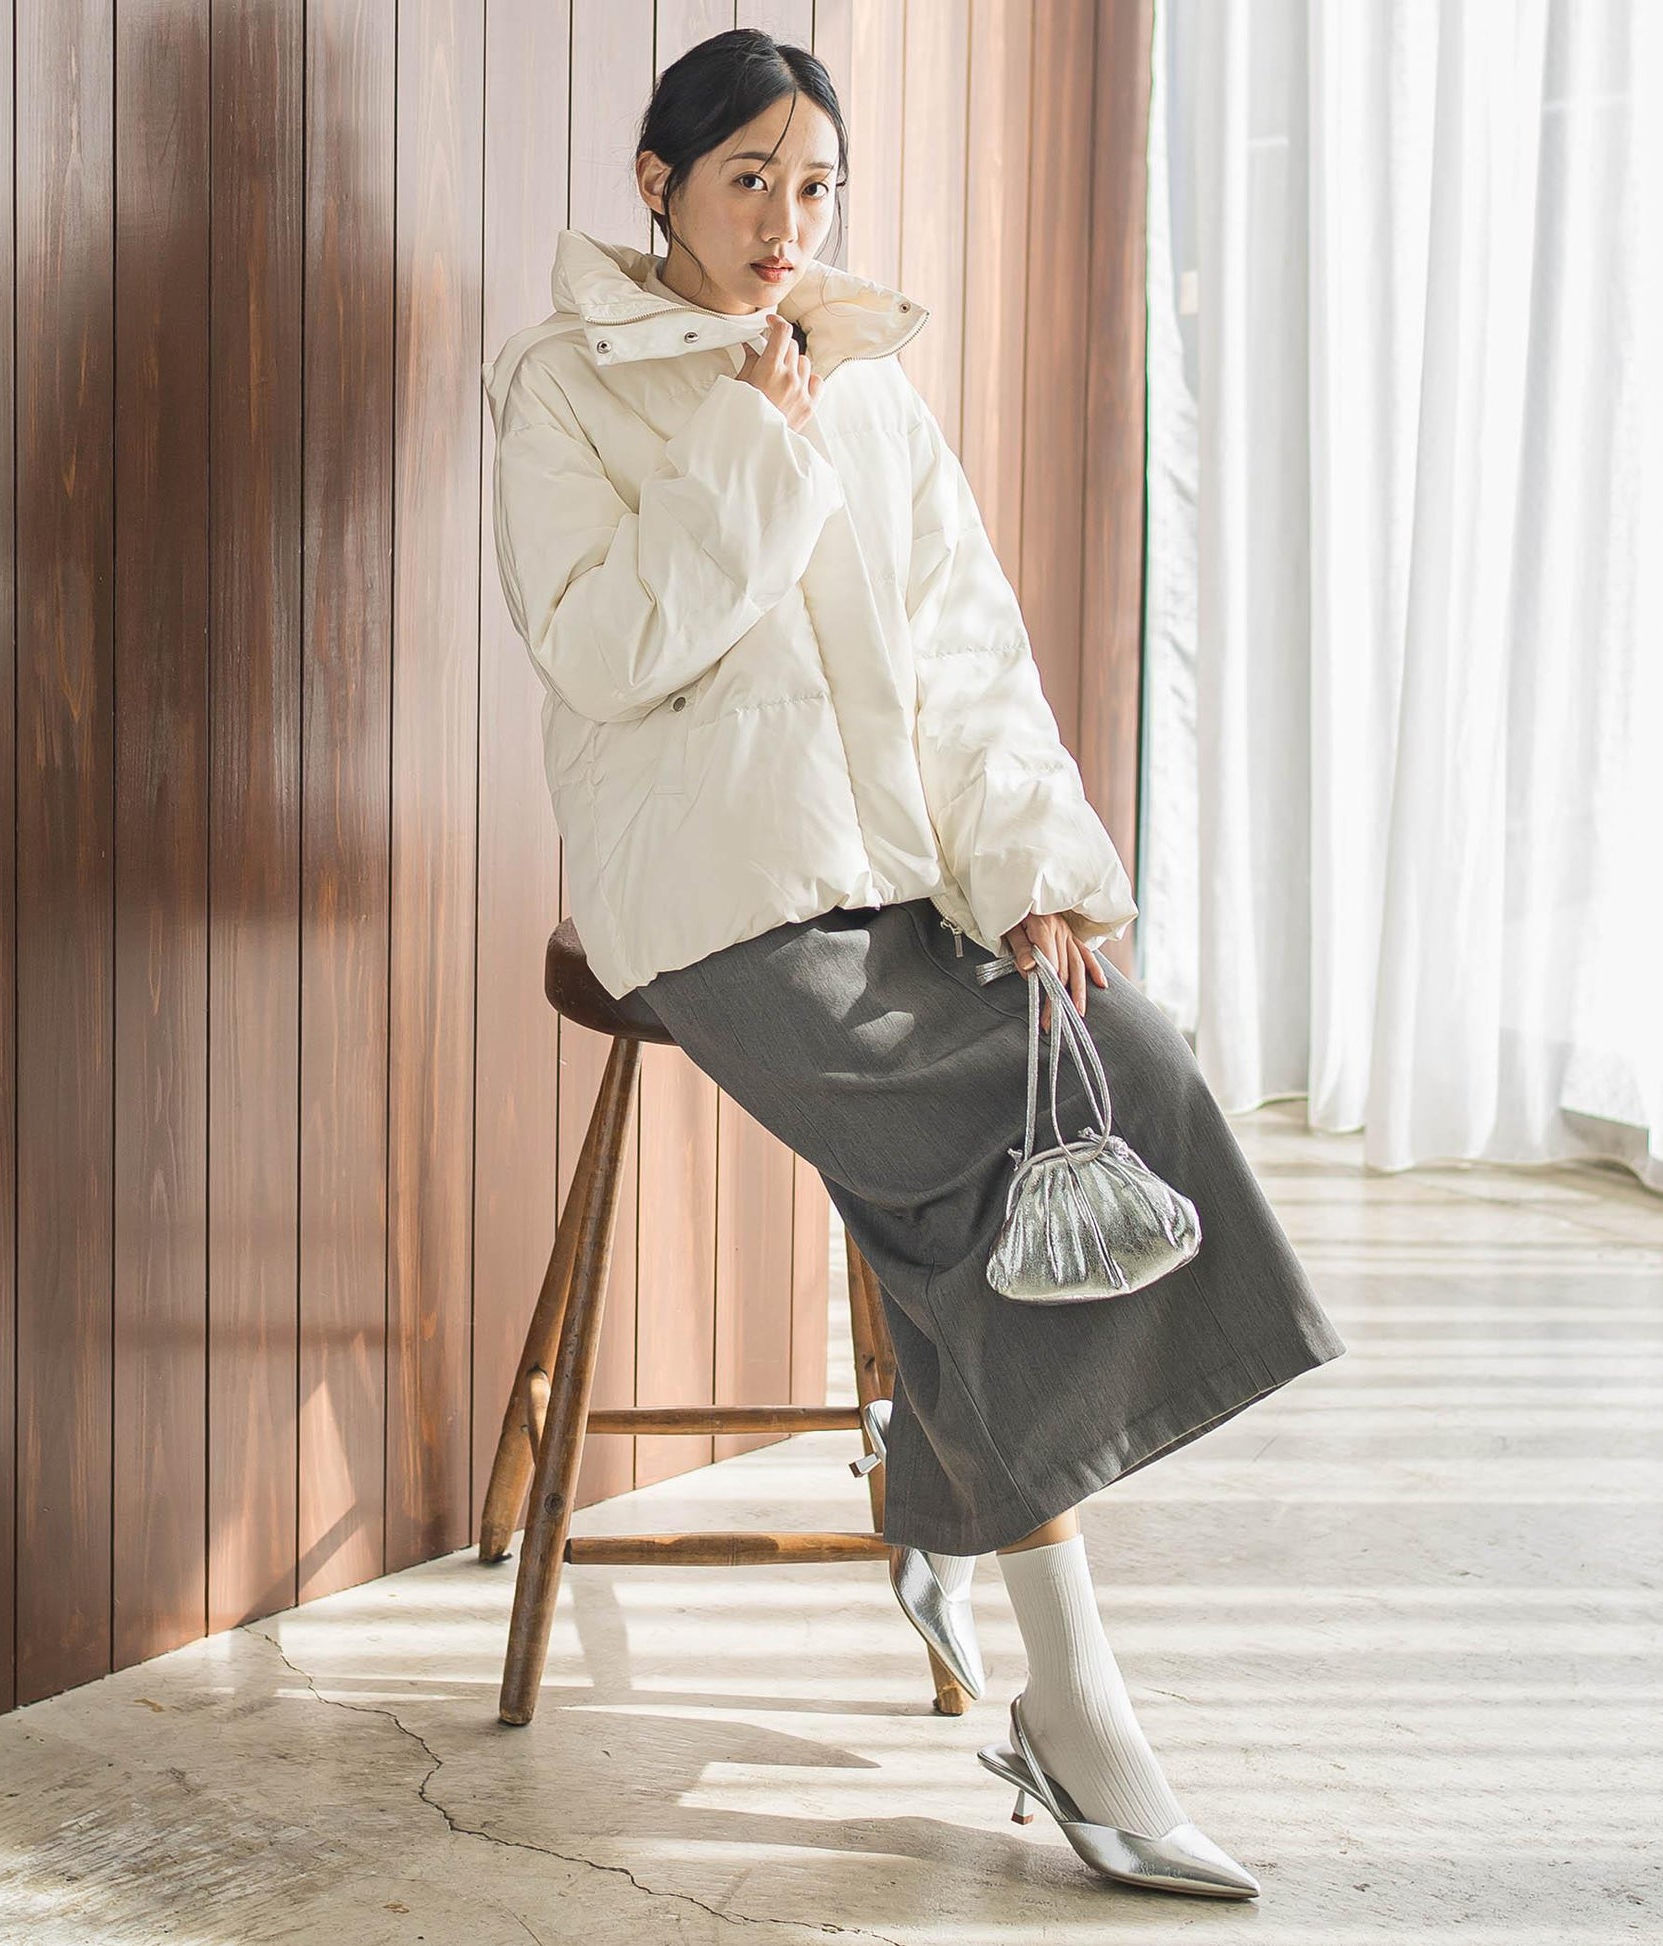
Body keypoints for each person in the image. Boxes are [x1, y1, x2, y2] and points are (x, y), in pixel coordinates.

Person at [481, 26, 1346, 1903]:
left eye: (814, 187)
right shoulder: (564, 382)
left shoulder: (865, 378)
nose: (784, 221)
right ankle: (1072, 1693)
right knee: (968, 1165)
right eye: (747, 180)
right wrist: (750, 438)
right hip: (716, 899)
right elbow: (603, 648)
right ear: (656, 183)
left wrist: (1031, 871)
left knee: (1126, 1055)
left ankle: (968, 1523)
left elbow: (965, 650)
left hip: (900, 873)